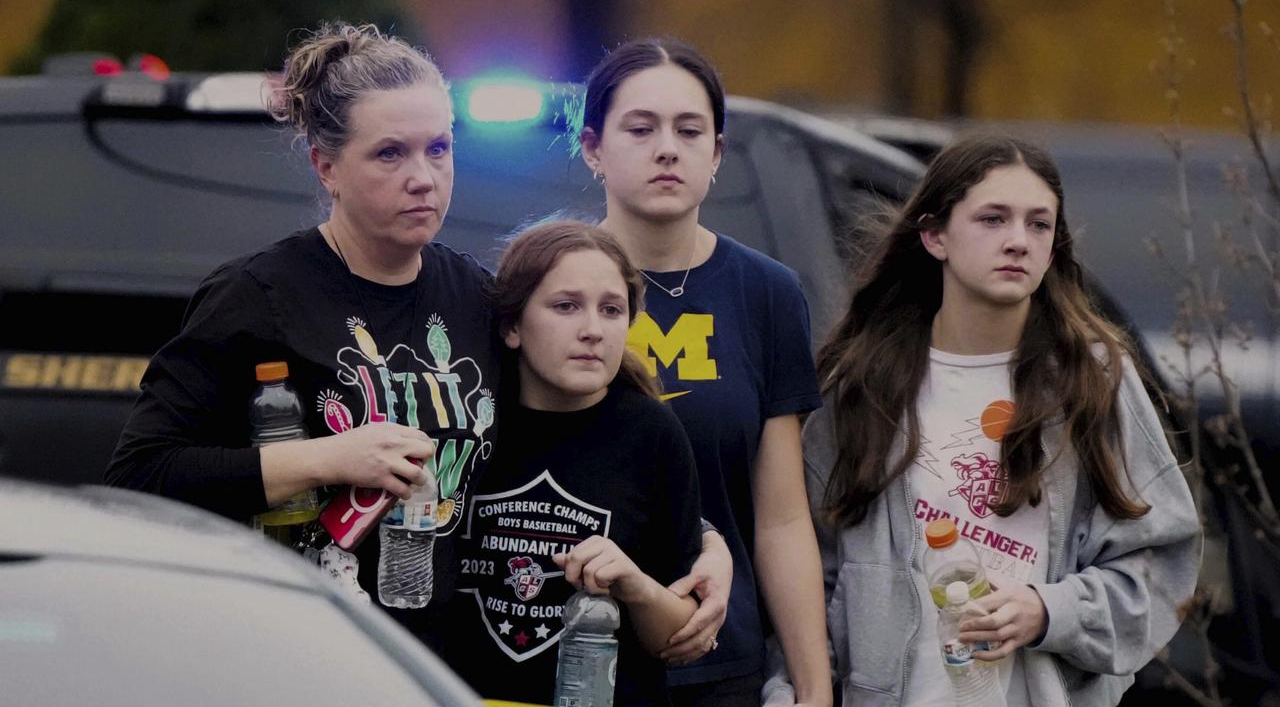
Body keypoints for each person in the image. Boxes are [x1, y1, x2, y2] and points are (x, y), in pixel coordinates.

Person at [106, 22, 730, 651]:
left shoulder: (475, 297)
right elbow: (140, 477)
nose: (423, 177)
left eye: (438, 149)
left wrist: (703, 540)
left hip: (428, 665)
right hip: (290, 650)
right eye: (389, 154)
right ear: (327, 167)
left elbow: (578, 432)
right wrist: (329, 458)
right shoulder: (258, 296)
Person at [764, 134, 1202, 706]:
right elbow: (805, 577)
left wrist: (1050, 610)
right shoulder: (861, 387)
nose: (1018, 241)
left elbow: (1162, 560)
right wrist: (789, 691)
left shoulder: (1092, 379)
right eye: (993, 219)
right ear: (934, 235)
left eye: (1039, 224)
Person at [577, 38, 832, 706]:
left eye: (690, 131)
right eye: (640, 128)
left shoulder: (767, 292)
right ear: (593, 147)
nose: (667, 147)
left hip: (715, 662)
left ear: (717, 154)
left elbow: (780, 518)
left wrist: (813, 686)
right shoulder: (545, 284)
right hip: (566, 644)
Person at [442, 219, 704, 706]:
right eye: (566, 306)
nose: (592, 330)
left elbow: (680, 638)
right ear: (513, 325)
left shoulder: (652, 434)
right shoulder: (466, 421)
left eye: (611, 310)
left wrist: (636, 586)